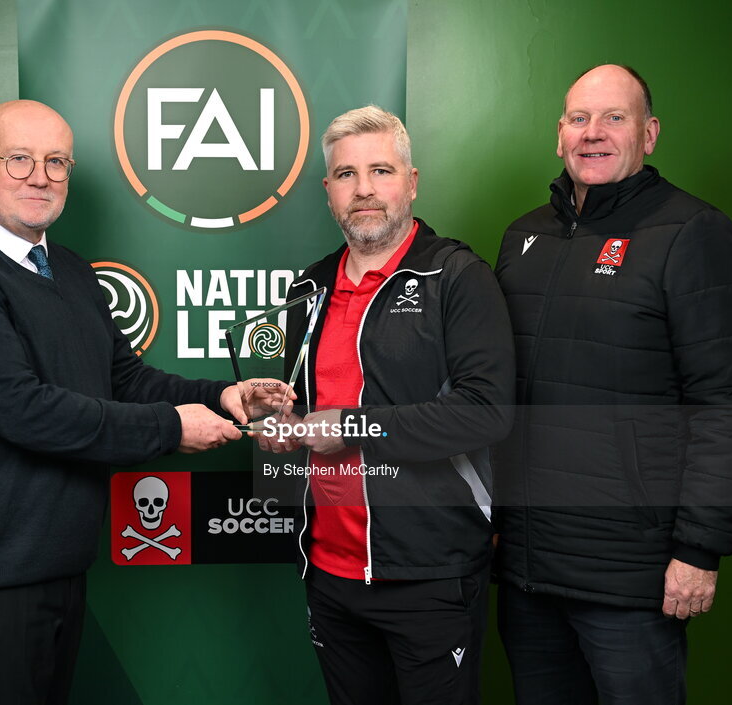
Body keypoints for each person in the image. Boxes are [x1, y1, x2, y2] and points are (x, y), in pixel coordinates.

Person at [0, 100, 279, 705]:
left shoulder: (68, 269)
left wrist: (223, 397)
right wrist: (170, 427)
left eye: (56, 162)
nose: (39, 176)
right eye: (18, 160)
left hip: (58, 559)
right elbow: (22, 408)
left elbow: (123, 379)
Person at [493, 65, 732, 704]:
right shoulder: (523, 237)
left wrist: (699, 550)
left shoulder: (693, 233)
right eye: (580, 119)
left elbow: (731, 404)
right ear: (559, 134)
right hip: (529, 573)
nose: (594, 133)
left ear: (649, 134)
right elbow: (502, 396)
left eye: (614, 117)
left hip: (633, 579)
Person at [266, 106, 514, 705]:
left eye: (381, 170)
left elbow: (486, 411)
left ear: (411, 181)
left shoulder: (456, 276)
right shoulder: (309, 286)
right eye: (347, 175)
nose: (365, 190)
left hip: (429, 573)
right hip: (328, 570)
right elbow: (306, 411)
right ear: (329, 192)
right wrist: (279, 422)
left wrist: (352, 426)